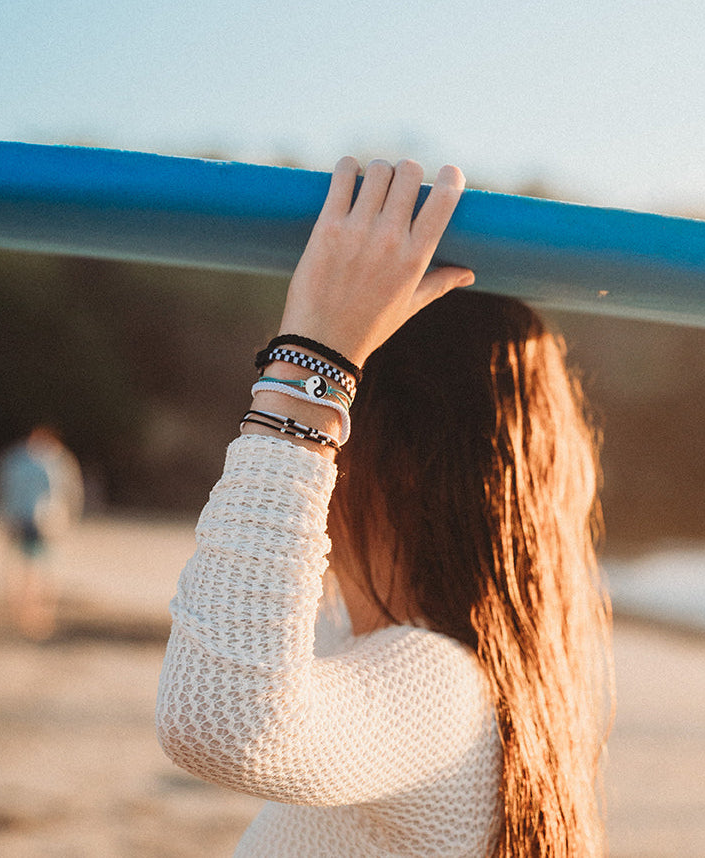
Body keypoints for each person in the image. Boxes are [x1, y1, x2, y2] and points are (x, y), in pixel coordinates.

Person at [156, 157, 614, 856]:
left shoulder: (443, 687)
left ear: (388, 456)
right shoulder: (438, 671)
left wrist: (315, 361)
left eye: (336, 427)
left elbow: (219, 718)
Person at [0, 424, 84, 638]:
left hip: (18, 518)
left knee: (23, 564)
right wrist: (67, 519)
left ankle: (21, 612)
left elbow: (2, 488)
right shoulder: (54, 460)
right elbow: (65, 491)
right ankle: (35, 614)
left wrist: (2, 514)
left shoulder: (15, 458)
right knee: (39, 568)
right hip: (40, 520)